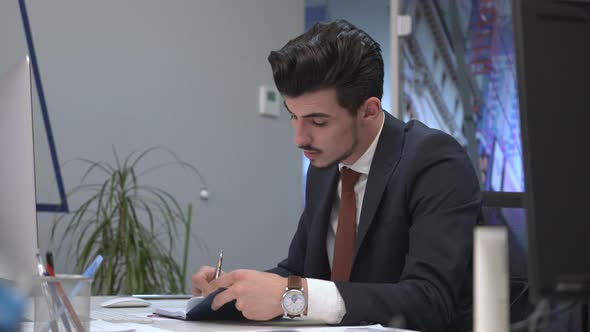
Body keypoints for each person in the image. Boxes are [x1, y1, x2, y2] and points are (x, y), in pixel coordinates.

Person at [192, 19, 481, 332]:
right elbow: (300, 269)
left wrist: (295, 296)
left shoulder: (436, 163)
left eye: (318, 122)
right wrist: (233, 290)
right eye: (294, 117)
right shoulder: (326, 163)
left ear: (369, 111)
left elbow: (430, 300)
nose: (299, 139)